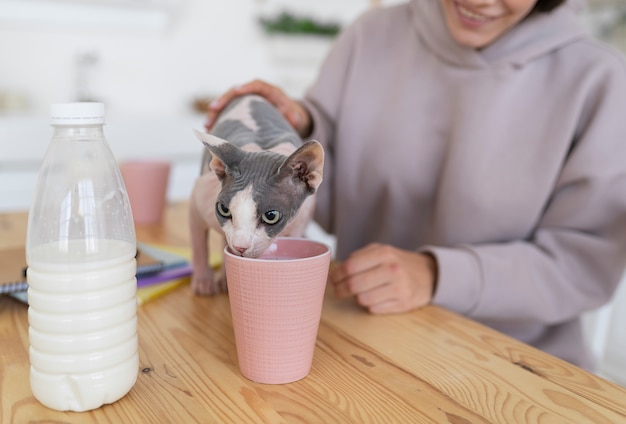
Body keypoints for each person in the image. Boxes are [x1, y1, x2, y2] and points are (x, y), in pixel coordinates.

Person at [204, 0, 626, 370]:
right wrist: (293, 128)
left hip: (518, 366)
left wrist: (437, 275)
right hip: (356, 339)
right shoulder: (370, 36)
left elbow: (583, 264)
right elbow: (312, 187)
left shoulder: (600, 80)